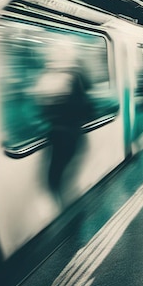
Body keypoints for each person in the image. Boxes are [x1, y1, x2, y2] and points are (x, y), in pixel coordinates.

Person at [35, 53, 92, 203]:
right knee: (63, 178)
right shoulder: (74, 78)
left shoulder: (50, 80)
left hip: (60, 135)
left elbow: (42, 108)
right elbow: (85, 108)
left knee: (55, 178)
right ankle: (71, 208)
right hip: (71, 135)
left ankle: (69, 210)